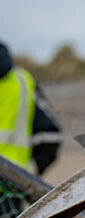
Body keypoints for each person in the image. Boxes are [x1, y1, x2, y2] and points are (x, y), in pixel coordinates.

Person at [0, 41, 61, 177]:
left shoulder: (23, 81)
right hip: (14, 187)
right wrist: (29, 174)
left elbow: (50, 136)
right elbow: (50, 136)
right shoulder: (22, 80)